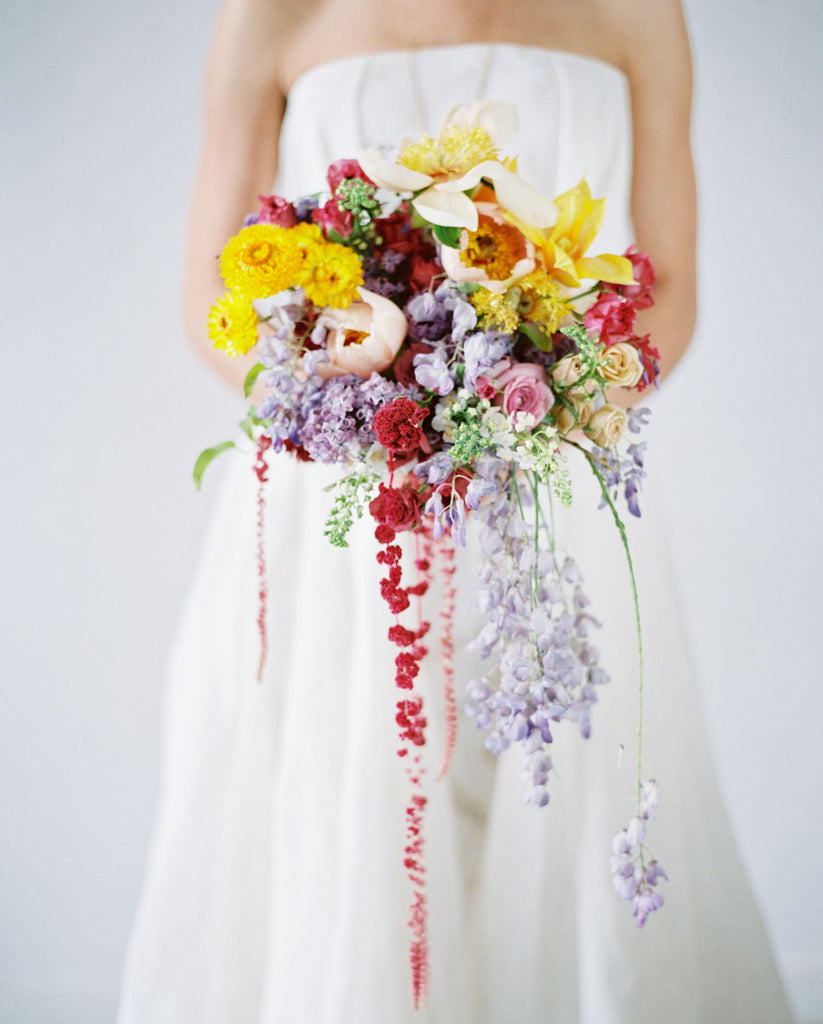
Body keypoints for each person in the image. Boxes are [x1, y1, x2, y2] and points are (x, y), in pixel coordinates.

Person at [117, 1, 795, 1021]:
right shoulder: (273, 15)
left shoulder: (639, 14)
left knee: (566, 795)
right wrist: (367, 403)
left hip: (553, 483)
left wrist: (540, 402)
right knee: (348, 806)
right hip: (349, 506)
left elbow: (672, 288)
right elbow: (208, 296)